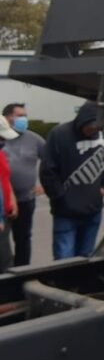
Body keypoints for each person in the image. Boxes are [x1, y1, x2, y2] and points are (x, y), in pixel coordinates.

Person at [39, 102, 104, 260]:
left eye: (97, 128)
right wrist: (61, 198)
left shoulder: (103, 136)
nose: (93, 131)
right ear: (82, 120)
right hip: (66, 214)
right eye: (91, 127)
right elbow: (47, 172)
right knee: (64, 260)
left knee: (87, 258)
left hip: (93, 211)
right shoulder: (59, 135)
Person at [2, 103, 46, 266]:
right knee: (2, 242)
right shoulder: (2, 137)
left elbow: (50, 160)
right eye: (19, 115)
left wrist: (45, 184)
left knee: (23, 238)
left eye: (25, 116)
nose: (24, 119)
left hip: (26, 199)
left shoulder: (33, 139)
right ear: (7, 117)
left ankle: (22, 273)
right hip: (4, 201)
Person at [0, 115, 19, 271]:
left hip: (5, 217)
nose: (3, 142)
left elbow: (4, 179)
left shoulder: (0, 153)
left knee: (5, 261)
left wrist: (12, 199)